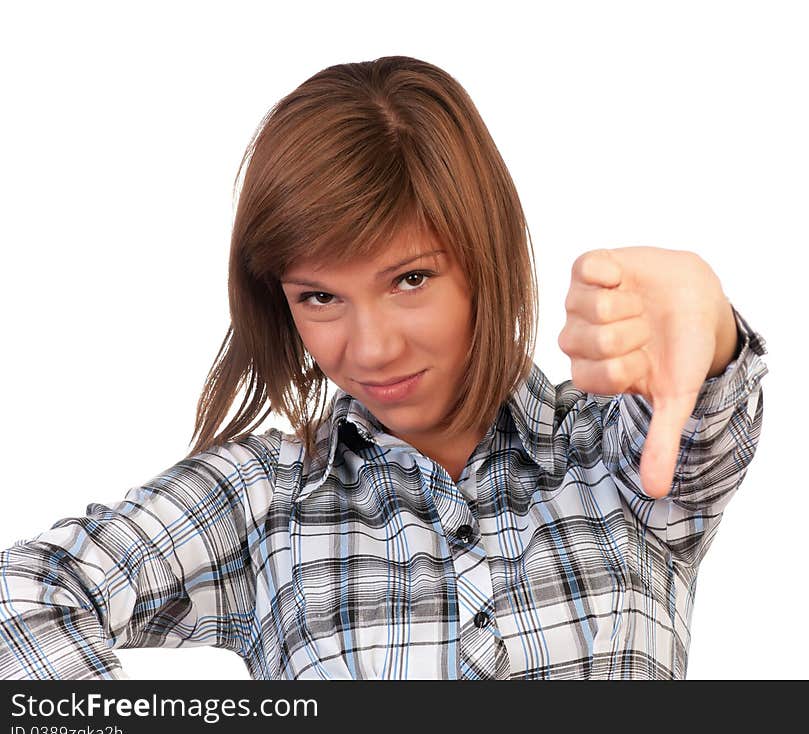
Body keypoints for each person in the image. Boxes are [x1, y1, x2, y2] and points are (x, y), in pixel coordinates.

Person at [0, 55, 768, 680]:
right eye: (321, 296)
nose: (368, 350)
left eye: (411, 280)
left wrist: (711, 325)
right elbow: (22, 594)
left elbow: (698, 414)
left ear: (484, 255)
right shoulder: (264, 501)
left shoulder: (615, 460)